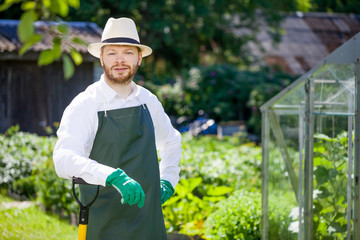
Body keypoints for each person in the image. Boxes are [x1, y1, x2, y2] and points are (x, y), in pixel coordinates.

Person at [53, 17, 181, 240]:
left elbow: (171, 141)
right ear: (101, 57)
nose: (120, 60)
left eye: (128, 52)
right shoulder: (87, 104)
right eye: (112, 53)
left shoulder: (147, 101)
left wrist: (168, 179)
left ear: (139, 58)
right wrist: (113, 176)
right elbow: (63, 159)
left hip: (148, 221)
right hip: (103, 221)